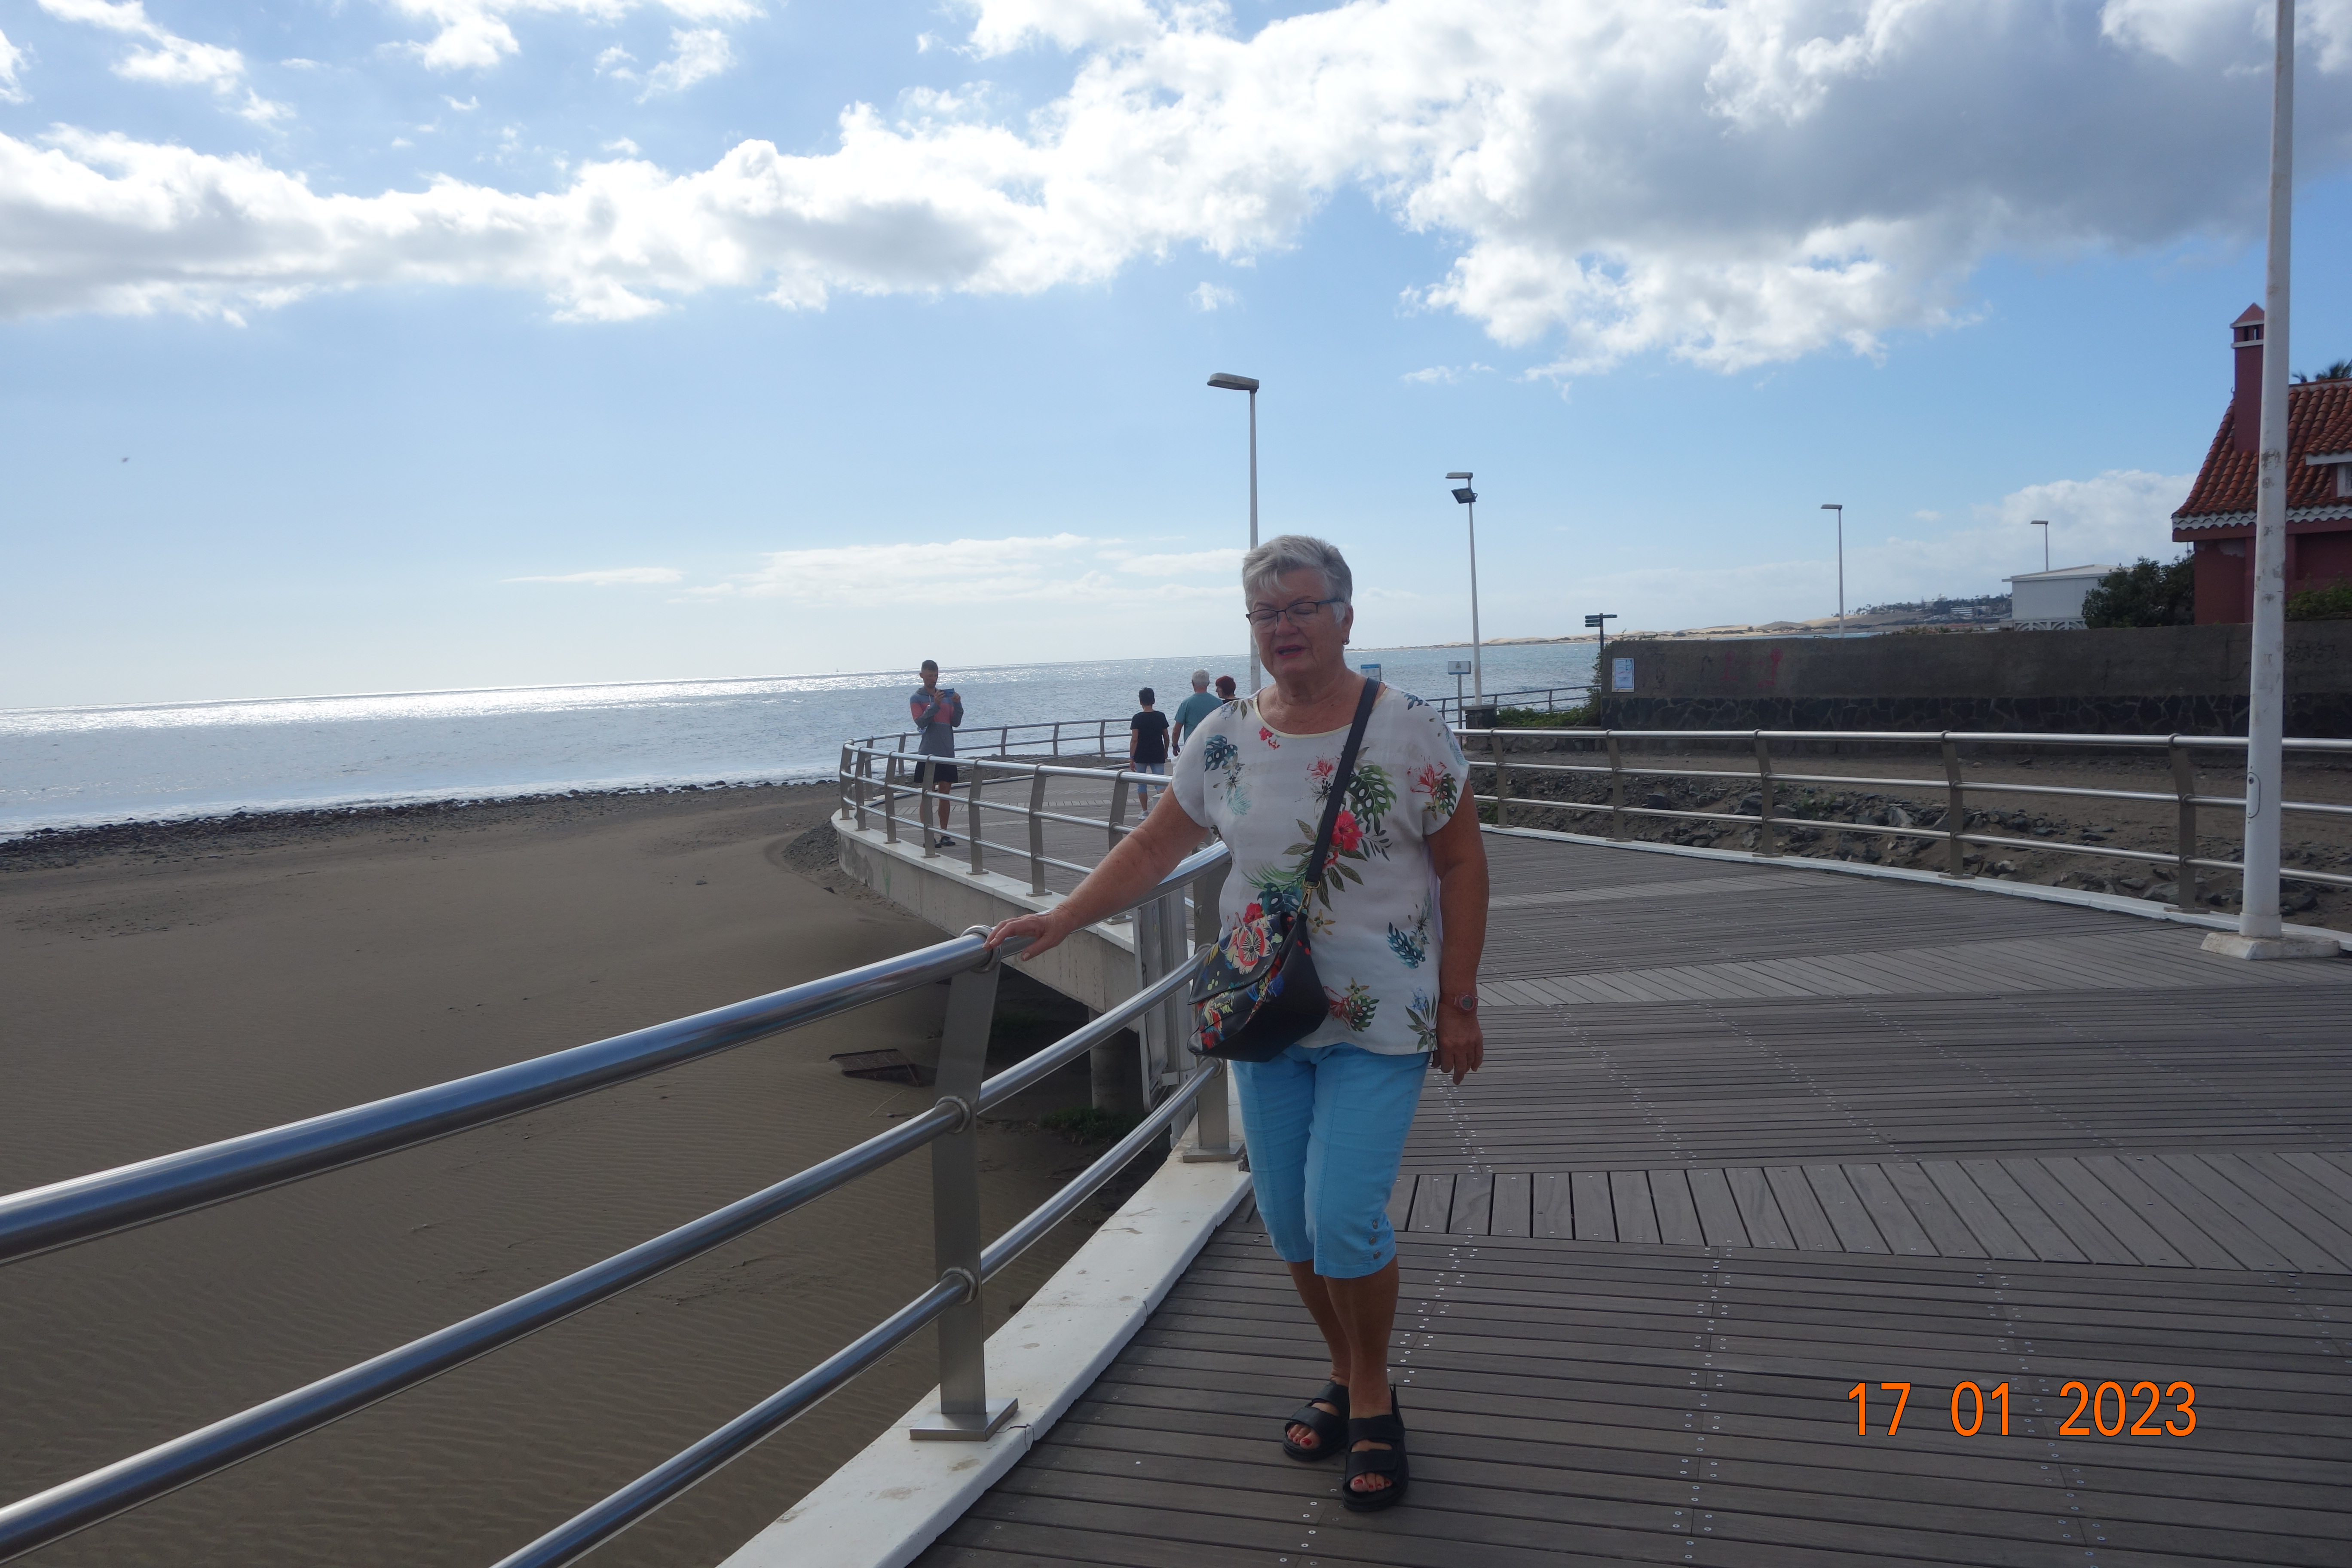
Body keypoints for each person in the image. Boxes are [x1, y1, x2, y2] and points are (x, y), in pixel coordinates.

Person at [985, 535, 1487, 1512]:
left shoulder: (1409, 728)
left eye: (1302, 607)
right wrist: (1063, 916)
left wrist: (1461, 998)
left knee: (1342, 1214)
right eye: (1266, 613)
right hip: (1264, 1009)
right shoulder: (1220, 735)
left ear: (1345, 616)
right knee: (1288, 1219)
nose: (1283, 627)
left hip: (1380, 1013)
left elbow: (1462, 862)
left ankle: (1371, 1392)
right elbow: (1151, 848)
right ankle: (1342, 1367)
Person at [908, 661, 963, 848]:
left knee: (945, 795)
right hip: (928, 753)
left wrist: (958, 705)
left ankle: (944, 834)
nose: (934, 679)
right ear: (922, 676)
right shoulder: (916, 698)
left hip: (947, 752)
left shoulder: (945, 697)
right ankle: (928, 836)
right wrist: (935, 706)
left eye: (936, 676)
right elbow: (921, 722)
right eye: (930, 676)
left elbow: (956, 722)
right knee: (927, 795)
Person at [1128, 687, 1170, 809]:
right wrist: (1166, 751)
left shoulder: (1137, 718)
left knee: (1142, 784)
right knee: (1160, 783)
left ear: (1140, 702)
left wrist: (1131, 758)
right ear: (1154, 701)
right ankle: (1160, 811)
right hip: (1158, 752)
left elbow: (1135, 740)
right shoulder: (1161, 716)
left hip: (1141, 754)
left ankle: (1145, 811)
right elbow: (1166, 737)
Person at [1168, 668, 1222, 757]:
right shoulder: (1218, 703)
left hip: (1192, 747)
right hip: (1213, 747)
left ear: (1193, 683)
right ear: (1208, 683)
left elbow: (1176, 730)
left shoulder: (1186, 703)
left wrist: (1175, 746)